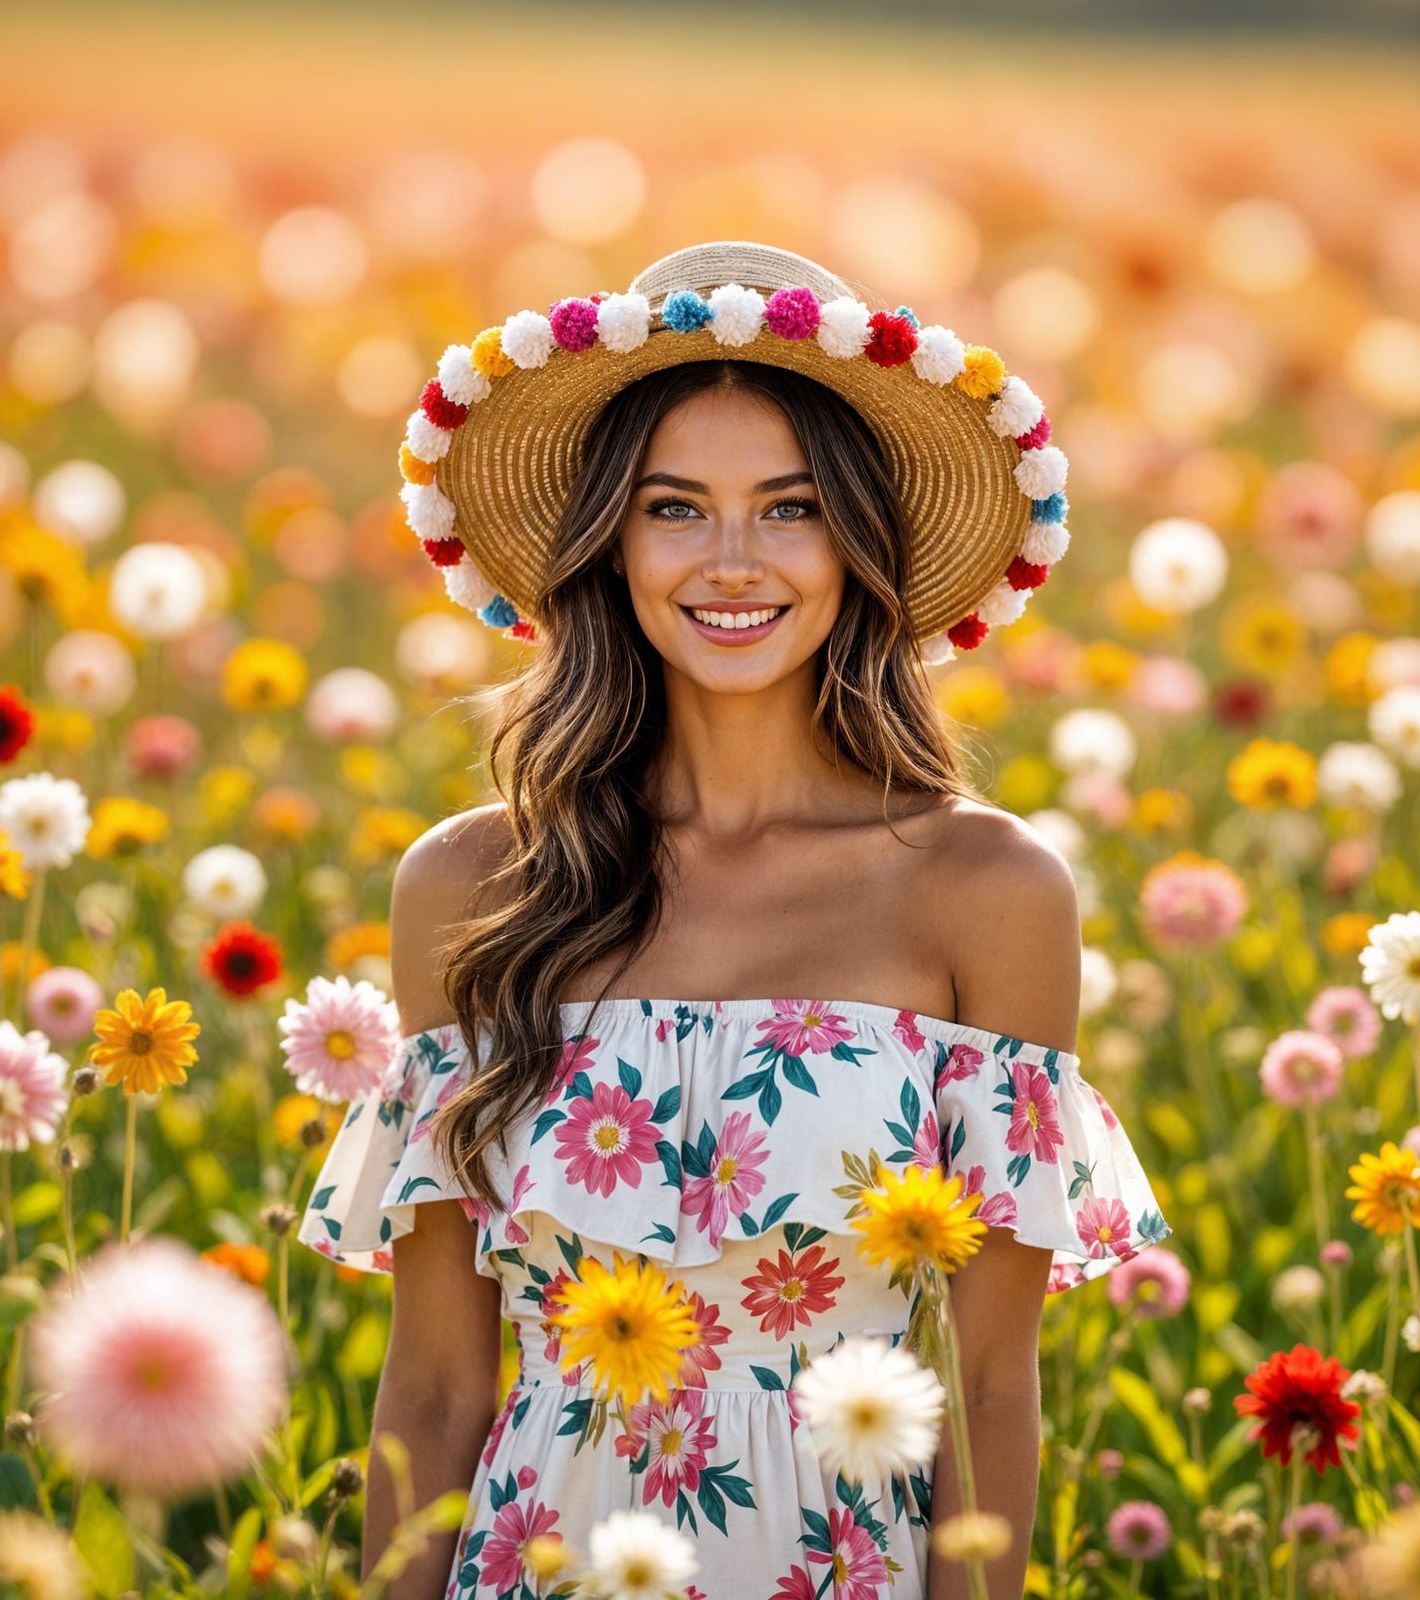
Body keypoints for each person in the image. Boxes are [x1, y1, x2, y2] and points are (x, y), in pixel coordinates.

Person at [298, 241, 1171, 1600]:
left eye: (791, 507)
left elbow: (992, 1388)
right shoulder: (472, 887)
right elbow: (431, 1384)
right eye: (673, 507)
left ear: (859, 539)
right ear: (610, 538)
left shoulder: (988, 894)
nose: (731, 562)